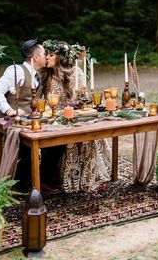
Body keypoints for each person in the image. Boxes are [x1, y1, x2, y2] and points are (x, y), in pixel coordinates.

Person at [40, 39, 112, 193]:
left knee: (89, 132)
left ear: (60, 58)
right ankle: (47, 177)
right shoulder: (45, 75)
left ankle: (86, 175)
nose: (46, 57)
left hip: (74, 117)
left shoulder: (75, 74)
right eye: (46, 54)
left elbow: (82, 100)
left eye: (50, 55)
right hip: (52, 119)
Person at [0, 39, 46, 117]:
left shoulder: (36, 74)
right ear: (36, 57)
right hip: (9, 121)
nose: (46, 57)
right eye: (44, 54)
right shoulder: (17, 71)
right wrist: (9, 110)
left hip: (29, 121)